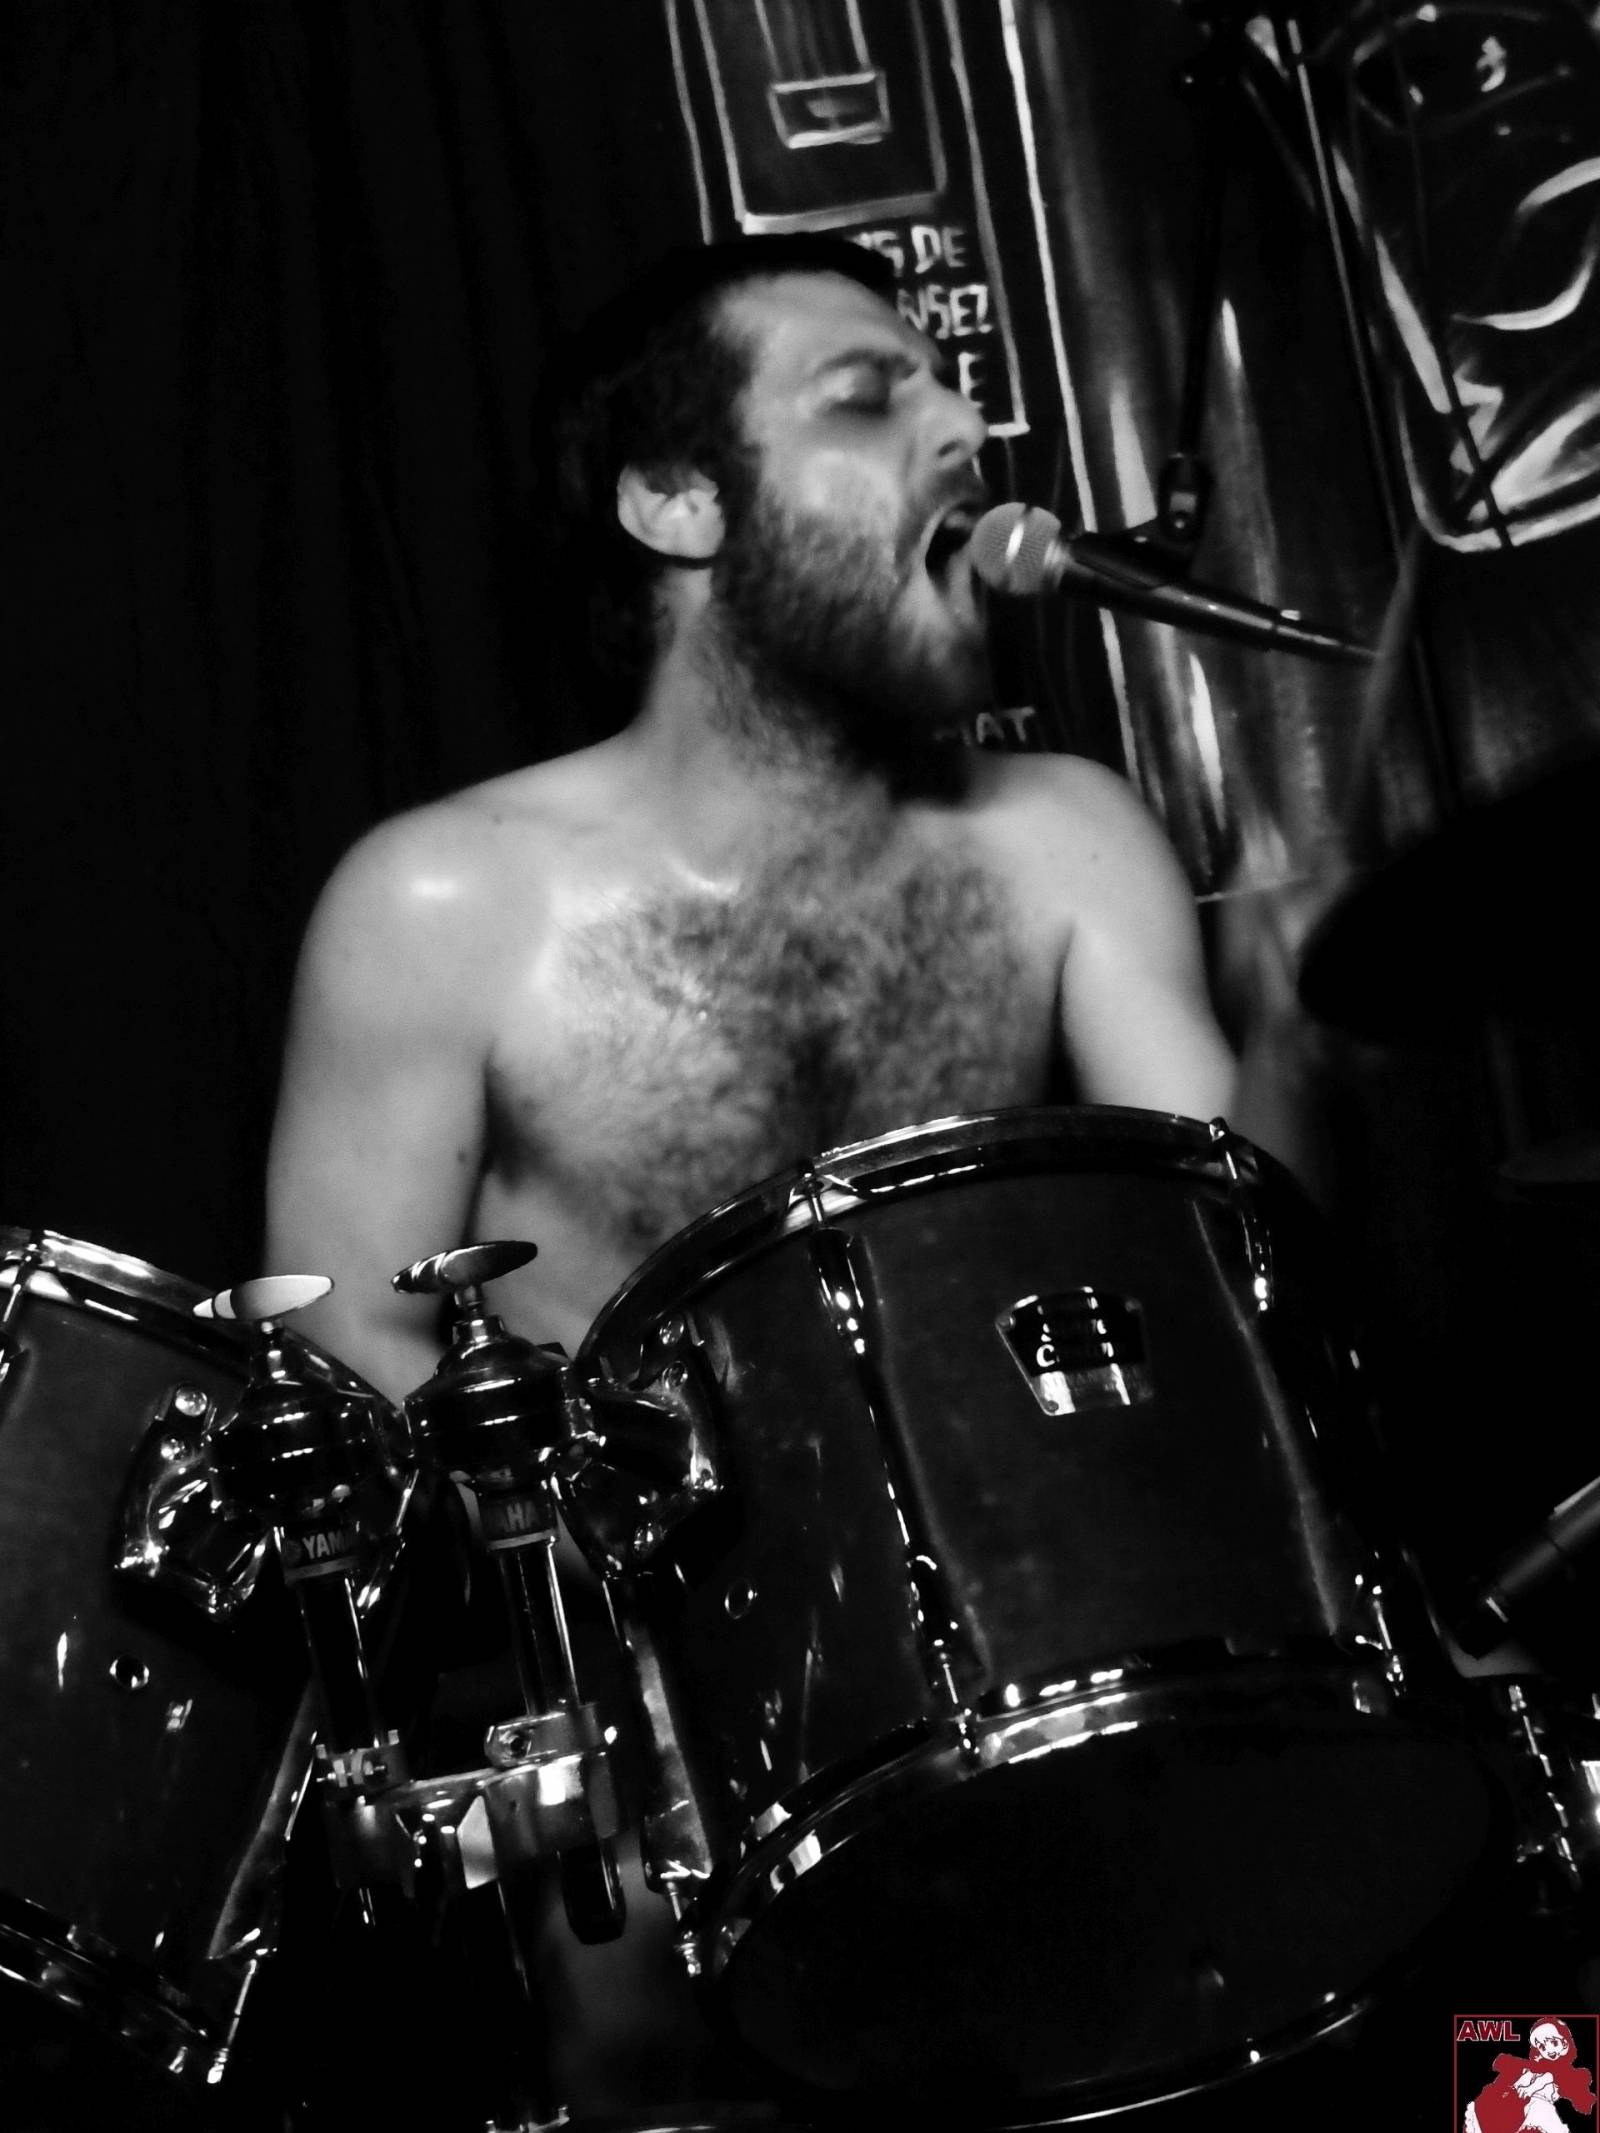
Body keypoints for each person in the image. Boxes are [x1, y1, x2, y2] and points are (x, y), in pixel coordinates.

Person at [264, 232, 1240, 2113]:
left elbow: (1227, 1260)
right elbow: (351, 1388)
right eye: (871, 395)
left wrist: (1322, 1034)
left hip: (1084, 1690)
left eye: (954, 383)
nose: (965, 430)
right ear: (674, 504)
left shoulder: (1064, 842)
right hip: (689, 1802)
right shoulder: (443, 901)